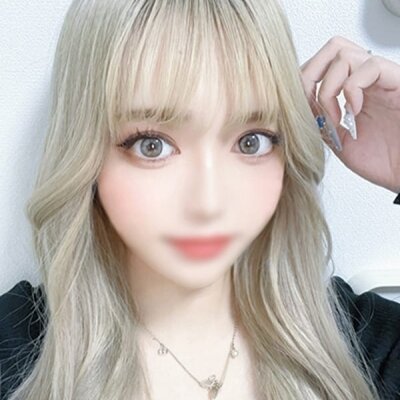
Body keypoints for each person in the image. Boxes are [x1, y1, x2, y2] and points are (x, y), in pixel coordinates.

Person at [0, 1, 399, 399]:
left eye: (251, 141)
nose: (209, 204)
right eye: (152, 145)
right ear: (85, 152)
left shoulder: (364, 344)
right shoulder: (13, 351)